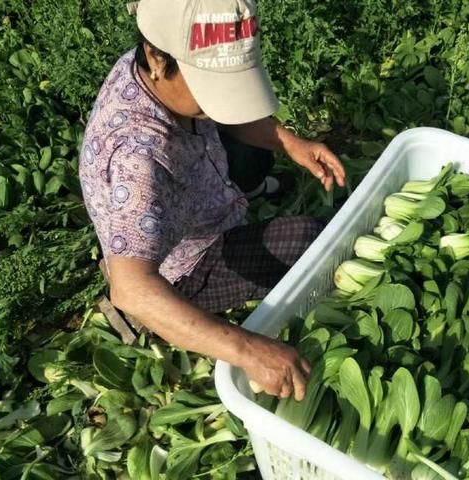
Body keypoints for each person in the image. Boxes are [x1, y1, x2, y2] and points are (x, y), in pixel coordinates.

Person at [78, 0, 346, 401]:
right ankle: (185, 312)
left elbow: (228, 113)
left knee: (255, 142)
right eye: (209, 88)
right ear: (156, 57)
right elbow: (131, 290)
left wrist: (292, 143)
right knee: (308, 240)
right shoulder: (137, 161)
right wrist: (249, 349)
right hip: (184, 264)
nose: (219, 104)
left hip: (201, 182)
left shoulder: (153, 68)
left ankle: (247, 190)